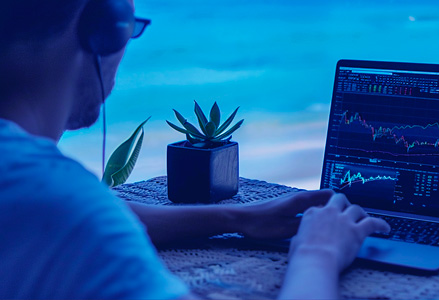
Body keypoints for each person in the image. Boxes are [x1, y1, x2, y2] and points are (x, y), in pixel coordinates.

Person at [0, 0, 390, 299]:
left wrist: (235, 219)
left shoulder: (32, 197)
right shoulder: (62, 206)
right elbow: (65, 215)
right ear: (104, 29)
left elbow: (39, 214)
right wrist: (318, 253)